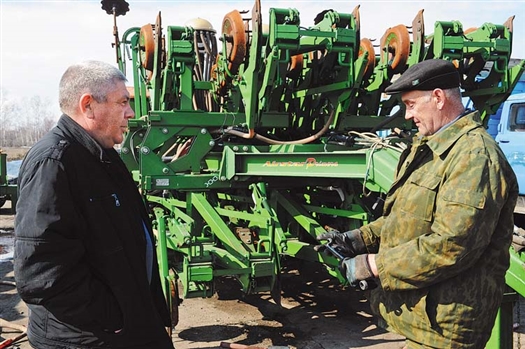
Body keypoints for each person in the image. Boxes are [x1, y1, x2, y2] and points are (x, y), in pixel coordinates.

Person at [318, 59, 519, 348]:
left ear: (438, 98)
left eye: (411, 104)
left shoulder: (474, 157)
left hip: (446, 327)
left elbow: (452, 245)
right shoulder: (428, 148)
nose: (408, 115)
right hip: (425, 318)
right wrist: (358, 239)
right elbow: (406, 216)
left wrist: (374, 265)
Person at [14, 60, 174, 349]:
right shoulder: (54, 162)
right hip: (89, 338)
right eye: (123, 102)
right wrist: (113, 317)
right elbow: (40, 272)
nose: (131, 113)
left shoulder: (103, 156)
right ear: (88, 106)